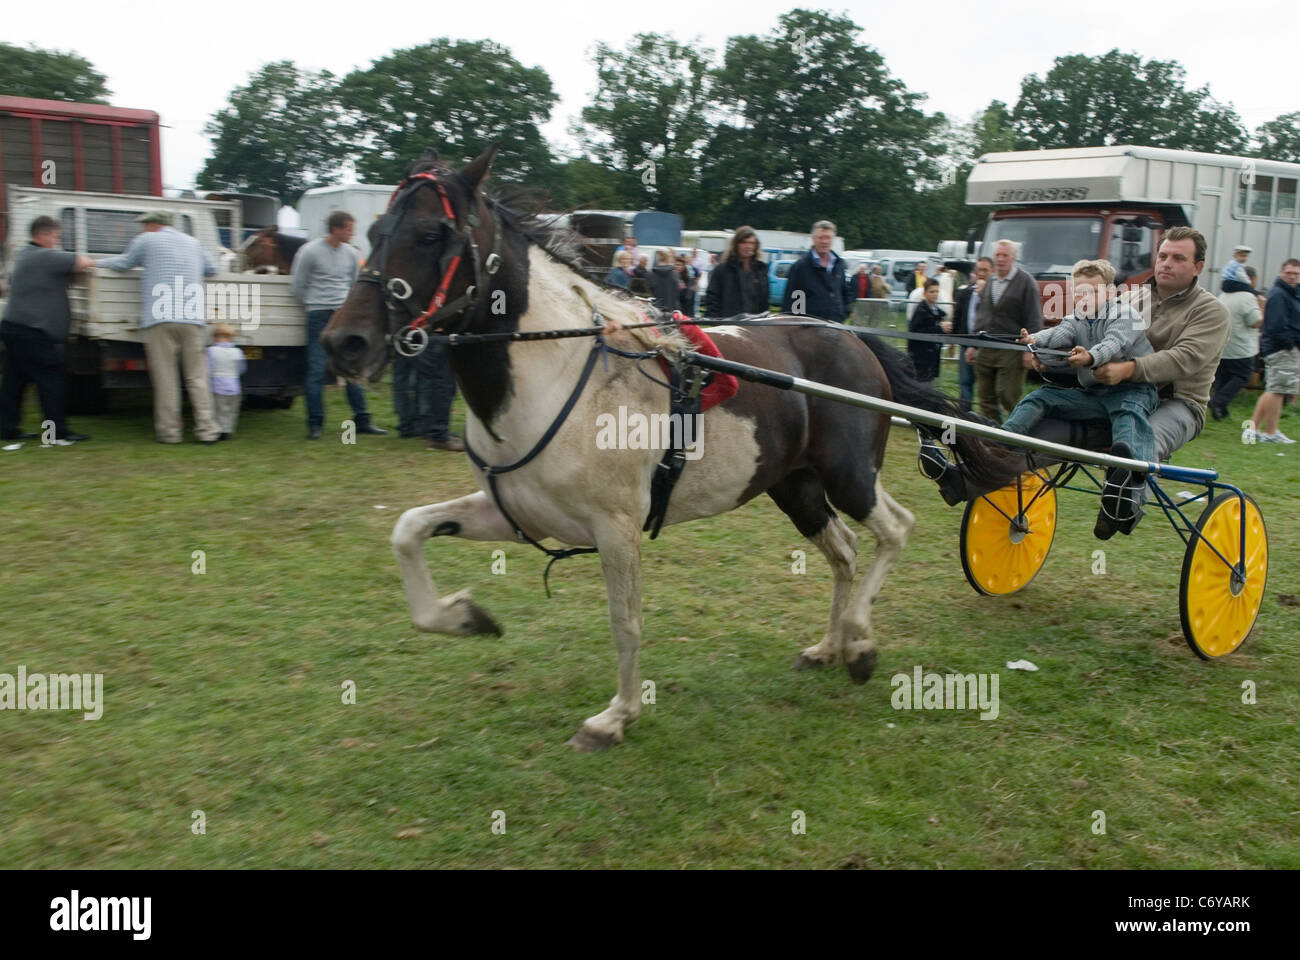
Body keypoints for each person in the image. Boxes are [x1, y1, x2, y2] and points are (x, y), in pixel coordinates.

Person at [1006, 260, 1157, 535]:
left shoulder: (1126, 315)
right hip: (1093, 393)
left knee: (1128, 416)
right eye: (1078, 292)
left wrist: (1089, 356)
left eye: (1092, 292)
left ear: (1110, 293)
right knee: (1041, 397)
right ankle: (1003, 440)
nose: (1083, 298)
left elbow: (1113, 344)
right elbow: (1058, 334)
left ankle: (1127, 473)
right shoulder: (1077, 315)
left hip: (1133, 390)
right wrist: (1034, 342)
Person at [97, 211, 221, 444]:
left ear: (153, 224)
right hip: (192, 317)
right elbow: (212, 269)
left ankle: (170, 433)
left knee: (166, 379)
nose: (142, 230)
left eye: (144, 225)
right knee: (197, 377)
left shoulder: (147, 240)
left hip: (160, 316)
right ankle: (207, 430)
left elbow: (124, 263)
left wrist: (94, 263)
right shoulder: (194, 242)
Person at [291, 211, 386, 440]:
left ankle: (362, 419)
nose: (352, 233)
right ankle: (315, 424)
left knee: (352, 366)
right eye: (348, 229)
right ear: (335, 229)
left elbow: (355, 284)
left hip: (342, 314)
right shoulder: (310, 251)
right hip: (319, 314)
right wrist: (314, 303)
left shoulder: (352, 254)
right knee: (316, 369)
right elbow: (298, 285)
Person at [1, 216, 96, 444]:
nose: (56, 241)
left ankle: (7, 429)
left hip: (14, 328)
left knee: (14, 383)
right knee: (52, 382)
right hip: (35, 333)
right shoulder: (46, 256)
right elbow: (84, 261)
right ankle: (56, 433)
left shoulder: (24, 254)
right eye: (55, 236)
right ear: (42, 235)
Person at [968, 239, 1042, 422]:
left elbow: (1034, 318)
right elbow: (982, 314)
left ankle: (1022, 429)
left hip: (1012, 347)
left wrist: (1029, 351)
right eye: (997, 255)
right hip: (986, 345)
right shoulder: (990, 281)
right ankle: (993, 438)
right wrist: (972, 345)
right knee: (985, 397)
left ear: (1014, 258)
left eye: (1005, 255)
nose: (1000, 259)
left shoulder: (1026, 282)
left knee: (1007, 395)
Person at [1247, 258, 1300, 444]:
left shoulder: (1291, 293)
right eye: (1289, 272)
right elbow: (1277, 326)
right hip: (1281, 349)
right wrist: (1291, 344)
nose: (1292, 276)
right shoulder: (1279, 294)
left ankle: (1252, 431)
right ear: (1281, 273)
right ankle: (1271, 433)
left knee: (1273, 389)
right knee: (1277, 390)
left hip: (1281, 348)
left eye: (1296, 273)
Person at [1209, 265, 1262, 421]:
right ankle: (1218, 402)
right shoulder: (1248, 297)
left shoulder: (1223, 295)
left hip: (1221, 345)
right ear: (1250, 280)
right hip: (1240, 348)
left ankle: (1221, 411)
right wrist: (1262, 308)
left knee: (1223, 378)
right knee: (1242, 376)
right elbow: (1255, 322)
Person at [782, 220, 850, 322]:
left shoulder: (839, 264)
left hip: (837, 325)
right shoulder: (800, 267)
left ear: (833, 239)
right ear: (813, 239)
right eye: (821, 237)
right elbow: (792, 301)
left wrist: (844, 312)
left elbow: (843, 292)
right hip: (811, 328)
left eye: (828, 238)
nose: (824, 241)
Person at [952, 257, 992, 412]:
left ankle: (988, 418)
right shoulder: (965, 293)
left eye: (985, 270)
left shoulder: (996, 295)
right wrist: (954, 338)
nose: (981, 273)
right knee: (965, 382)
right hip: (966, 343)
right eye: (979, 270)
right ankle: (964, 415)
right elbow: (958, 316)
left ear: (992, 272)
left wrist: (984, 294)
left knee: (986, 385)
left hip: (987, 346)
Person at [705, 226, 768, 318]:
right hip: (729, 325)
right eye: (744, 242)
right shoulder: (722, 270)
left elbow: (765, 301)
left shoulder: (761, 270)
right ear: (736, 245)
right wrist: (716, 321)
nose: (748, 246)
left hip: (755, 325)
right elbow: (712, 298)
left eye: (752, 243)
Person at [206, 322, 246, 440]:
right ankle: (228, 431)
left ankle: (219, 431)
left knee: (218, 411)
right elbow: (241, 368)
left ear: (215, 337)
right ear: (231, 337)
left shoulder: (211, 351)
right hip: (234, 388)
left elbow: (207, 368)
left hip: (217, 387)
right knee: (232, 412)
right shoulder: (237, 352)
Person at [907, 279, 950, 382]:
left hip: (931, 356)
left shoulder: (935, 310)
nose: (935, 294)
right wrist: (940, 328)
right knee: (923, 383)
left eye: (937, 291)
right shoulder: (921, 311)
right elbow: (916, 333)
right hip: (921, 357)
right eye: (932, 292)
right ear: (925, 293)